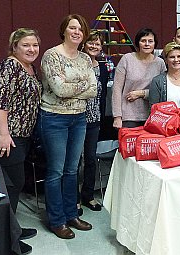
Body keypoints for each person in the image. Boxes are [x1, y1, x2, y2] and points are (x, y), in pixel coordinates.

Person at [0, 28, 41, 254]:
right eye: (25, 45)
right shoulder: (9, 67)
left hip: (20, 137)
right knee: (10, 185)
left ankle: (12, 228)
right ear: (14, 46)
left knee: (13, 184)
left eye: (34, 45)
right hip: (2, 137)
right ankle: (7, 239)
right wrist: (3, 134)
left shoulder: (30, 68)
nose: (31, 49)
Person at [37, 14, 97, 239]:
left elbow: (94, 90)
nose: (76, 32)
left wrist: (72, 84)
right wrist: (81, 85)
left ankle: (72, 214)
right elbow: (58, 90)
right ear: (64, 30)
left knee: (73, 170)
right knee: (56, 171)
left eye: (80, 29)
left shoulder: (84, 58)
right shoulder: (52, 55)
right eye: (72, 28)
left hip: (79, 118)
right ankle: (57, 220)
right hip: (54, 118)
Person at [77, 31, 106, 216]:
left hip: (94, 120)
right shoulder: (78, 63)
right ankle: (74, 200)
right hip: (76, 118)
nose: (94, 46)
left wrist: (101, 118)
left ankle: (87, 195)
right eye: (91, 43)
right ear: (84, 44)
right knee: (74, 162)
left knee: (90, 159)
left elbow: (102, 96)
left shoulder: (102, 67)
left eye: (98, 44)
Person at [112, 28, 166, 128]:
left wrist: (141, 93)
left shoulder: (160, 63)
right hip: (128, 117)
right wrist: (117, 117)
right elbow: (117, 89)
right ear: (138, 43)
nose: (147, 44)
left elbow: (163, 91)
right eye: (143, 41)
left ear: (154, 44)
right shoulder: (127, 59)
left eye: (150, 41)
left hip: (152, 116)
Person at [149, 42, 180, 108]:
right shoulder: (157, 81)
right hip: (167, 118)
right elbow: (153, 109)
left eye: (179, 56)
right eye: (172, 57)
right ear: (166, 60)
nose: (176, 60)